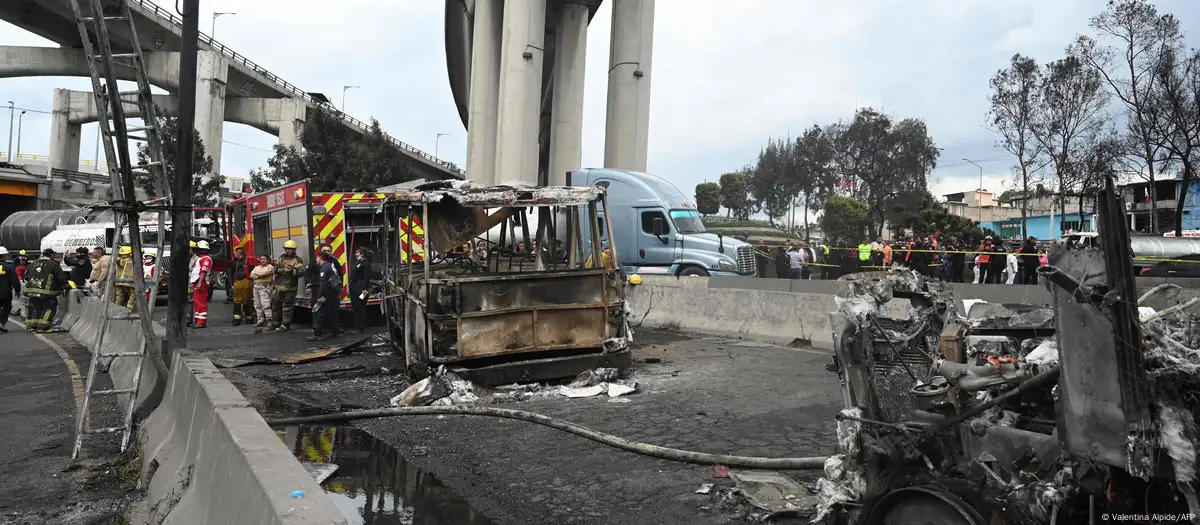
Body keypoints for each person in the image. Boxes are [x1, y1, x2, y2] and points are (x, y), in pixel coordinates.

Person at [22, 249, 67, 332]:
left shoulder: (33, 263)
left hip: (32, 291)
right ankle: (42, 326)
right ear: (51, 255)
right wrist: (66, 285)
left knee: (35, 308)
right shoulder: (53, 264)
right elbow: (61, 277)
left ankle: (32, 325)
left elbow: (26, 277)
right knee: (49, 308)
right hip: (47, 292)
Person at [271, 240, 306, 332]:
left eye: (291, 249)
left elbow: (300, 273)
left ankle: (285, 325)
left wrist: (293, 271)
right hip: (278, 287)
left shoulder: (298, 260)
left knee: (287, 307)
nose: (289, 251)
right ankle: (275, 323)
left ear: (294, 250)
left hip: (290, 288)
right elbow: (275, 268)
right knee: (275, 305)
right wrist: (282, 270)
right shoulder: (281, 257)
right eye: (287, 249)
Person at [308, 251, 342, 341]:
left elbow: (323, 283)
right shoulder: (329, 265)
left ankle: (317, 334)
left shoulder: (324, 268)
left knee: (318, 312)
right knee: (331, 313)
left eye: (317, 258)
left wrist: (319, 296)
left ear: (320, 257)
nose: (316, 259)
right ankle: (335, 331)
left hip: (326, 294)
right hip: (332, 293)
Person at [348, 247, 371, 333]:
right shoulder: (359, 262)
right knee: (356, 308)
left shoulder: (365, 263)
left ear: (362, 254)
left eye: (357, 253)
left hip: (362, 290)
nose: (355, 254)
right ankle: (357, 327)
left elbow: (366, 277)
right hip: (355, 289)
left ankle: (360, 328)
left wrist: (364, 289)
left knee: (360, 307)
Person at [227, 247, 253, 326]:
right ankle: (249, 318)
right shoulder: (239, 261)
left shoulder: (244, 261)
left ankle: (238, 320)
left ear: (239, 253)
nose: (234, 255)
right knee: (245, 301)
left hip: (243, 283)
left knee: (238, 302)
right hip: (243, 283)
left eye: (235, 254)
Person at [190, 240, 213, 328]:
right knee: (197, 302)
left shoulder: (206, 259)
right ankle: (198, 320)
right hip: (197, 282)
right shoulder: (201, 258)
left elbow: (204, 271)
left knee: (201, 302)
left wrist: (200, 283)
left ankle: (201, 322)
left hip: (201, 283)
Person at [250, 255, 276, 327]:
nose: (262, 260)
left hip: (265, 287)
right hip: (256, 287)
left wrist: (258, 274)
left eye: (264, 259)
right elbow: (251, 275)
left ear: (268, 260)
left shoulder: (270, 267)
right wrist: (258, 275)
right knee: (257, 305)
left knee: (265, 305)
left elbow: (264, 273)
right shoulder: (257, 267)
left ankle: (269, 321)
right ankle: (260, 320)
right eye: (261, 259)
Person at [0, 247, 20, 333]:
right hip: (5, 292)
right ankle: (2, 323)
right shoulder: (10, 267)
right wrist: (18, 291)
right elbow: (15, 281)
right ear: (4, 256)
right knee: (6, 307)